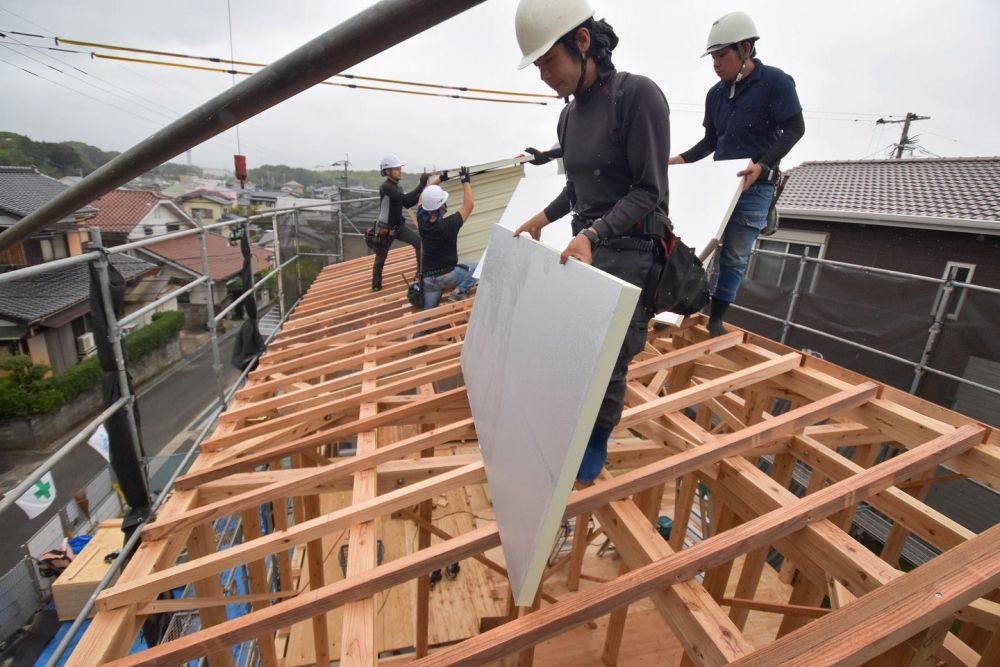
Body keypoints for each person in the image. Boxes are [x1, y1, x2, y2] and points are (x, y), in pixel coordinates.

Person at [512, 0, 671, 483]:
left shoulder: (637, 97)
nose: (544, 76)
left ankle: (597, 436)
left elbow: (649, 191)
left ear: (582, 43)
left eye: (548, 61)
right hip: (591, 244)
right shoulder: (569, 117)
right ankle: (570, 422)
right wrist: (541, 218)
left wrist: (593, 233)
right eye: (537, 65)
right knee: (572, 346)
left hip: (634, 247)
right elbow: (577, 189)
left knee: (608, 355)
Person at [670, 11, 804, 337]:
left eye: (722, 55)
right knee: (697, 245)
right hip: (719, 185)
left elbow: (795, 128)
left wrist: (764, 164)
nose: (715, 64)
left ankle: (716, 318)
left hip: (754, 186)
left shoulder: (775, 82)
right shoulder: (715, 95)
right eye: (712, 57)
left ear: (745, 48)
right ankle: (684, 306)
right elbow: (710, 143)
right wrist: (678, 159)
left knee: (733, 254)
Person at [371, 154, 439, 292]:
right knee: (380, 258)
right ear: (387, 171)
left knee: (419, 242)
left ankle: (421, 274)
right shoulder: (386, 187)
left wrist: (422, 189)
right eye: (395, 169)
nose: (399, 171)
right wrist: (420, 184)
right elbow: (405, 198)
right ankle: (376, 286)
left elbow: (407, 203)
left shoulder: (397, 187)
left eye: (399, 168)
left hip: (398, 227)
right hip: (385, 229)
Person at [417, 168, 477, 309]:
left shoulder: (421, 220)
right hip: (448, 277)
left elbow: (424, 196)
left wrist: (441, 179)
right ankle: (458, 292)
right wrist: (466, 180)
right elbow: (469, 205)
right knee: (478, 266)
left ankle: (419, 331)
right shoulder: (449, 225)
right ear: (441, 206)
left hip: (428, 280)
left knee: (426, 317)